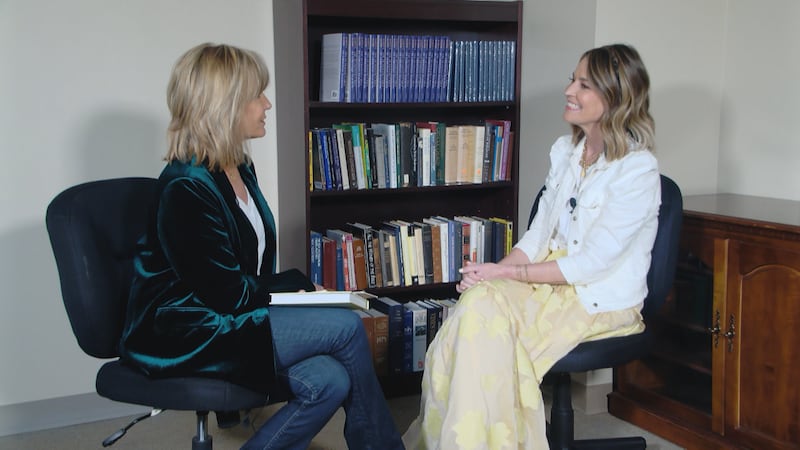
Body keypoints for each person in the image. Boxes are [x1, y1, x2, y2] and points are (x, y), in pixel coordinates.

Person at [119, 43, 404, 450]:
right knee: (344, 326)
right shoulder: (185, 187)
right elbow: (228, 293)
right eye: (257, 96)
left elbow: (243, 276)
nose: (267, 104)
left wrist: (303, 295)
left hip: (224, 314)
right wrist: (299, 288)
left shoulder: (238, 165)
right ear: (226, 105)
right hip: (186, 329)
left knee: (330, 379)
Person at [402, 43, 660, 449]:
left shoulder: (638, 170)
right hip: (549, 281)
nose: (569, 90)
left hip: (596, 296)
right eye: (572, 79)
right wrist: (489, 276)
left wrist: (505, 274)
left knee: (483, 335)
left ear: (614, 98)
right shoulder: (567, 152)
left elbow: (590, 264)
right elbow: (538, 237)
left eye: (584, 84)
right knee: (474, 308)